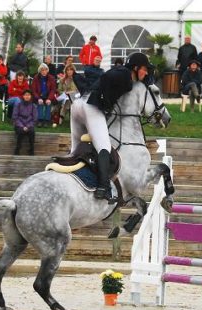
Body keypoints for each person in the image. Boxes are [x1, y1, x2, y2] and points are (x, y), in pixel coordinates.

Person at [69, 52, 151, 201]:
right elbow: (106, 78)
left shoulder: (125, 74)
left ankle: (75, 179)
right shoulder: (125, 75)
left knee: (75, 149)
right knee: (104, 147)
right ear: (136, 67)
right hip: (90, 108)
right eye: (144, 69)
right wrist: (104, 101)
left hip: (77, 106)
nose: (146, 73)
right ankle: (103, 187)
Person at [31, 63, 57, 127]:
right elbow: (33, 90)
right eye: (42, 70)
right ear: (40, 71)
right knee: (40, 103)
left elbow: (53, 90)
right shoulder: (36, 78)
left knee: (48, 103)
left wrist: (49, 98)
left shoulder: (51, 78)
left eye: (45, 70)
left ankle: (47, 120)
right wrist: (38, 98)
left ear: (47, 70)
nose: (44, 72)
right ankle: (40, 120)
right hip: (39, 96)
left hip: (48, 96)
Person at [12, 89, 37, 155]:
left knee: (32, 132)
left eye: (28, 95)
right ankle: (17, 149)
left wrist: (28, 126)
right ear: (23, 96)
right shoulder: (18, 105)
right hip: (19, 125)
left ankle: (31, 150)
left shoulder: (33, 106)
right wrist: (22, 126)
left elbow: (34, 119)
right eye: (25, 95)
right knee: (20, 131)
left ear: (31, 96)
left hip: (29, 125)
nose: (27, 96)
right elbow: (15, 117)